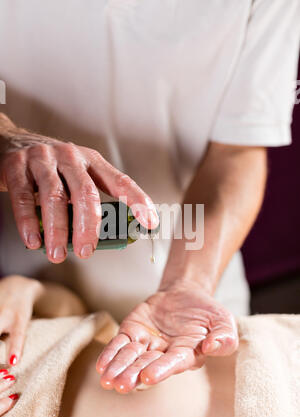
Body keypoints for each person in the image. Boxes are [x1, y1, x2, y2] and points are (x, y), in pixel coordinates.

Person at [0, 0, 299, 390]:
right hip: (24, 302)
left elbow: (236, 151)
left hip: (190, 309)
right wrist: (8, 140)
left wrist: (186, 284)